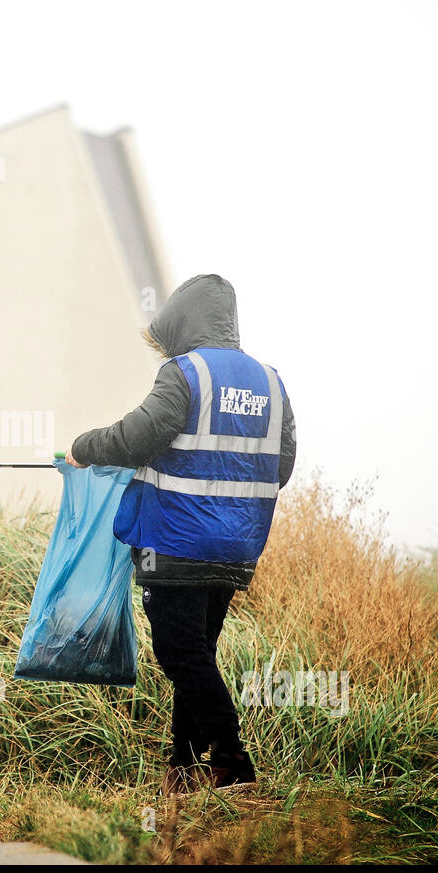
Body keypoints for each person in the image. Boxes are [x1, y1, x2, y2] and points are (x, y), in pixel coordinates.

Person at [65, 274, 296, 794]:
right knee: (197, 653)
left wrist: (83, 447)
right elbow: (282, 467)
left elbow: (135, 437)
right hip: (237, 546)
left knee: (178, 653)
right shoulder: (270, 381)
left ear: (182, 325)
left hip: (175, 540)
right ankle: (184, 769)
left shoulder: (184, 373)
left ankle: (232, 759)